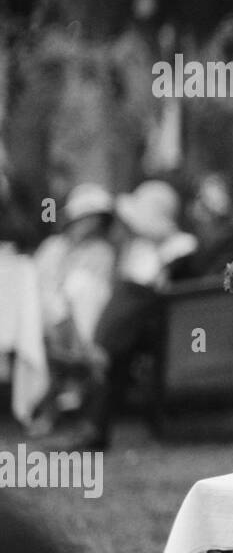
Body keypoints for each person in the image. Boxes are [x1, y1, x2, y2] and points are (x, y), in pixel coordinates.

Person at [77, 180, 199, 451]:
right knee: (117, 342)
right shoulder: (138, 248)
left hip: (170, 325)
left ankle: (98, 354)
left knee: (128, 296)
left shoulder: (183, 246)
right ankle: (95, 425)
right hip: (136, 328)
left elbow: (164, 287)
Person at [30, 183, 118, 429]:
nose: (89, 225)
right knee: (54, 309)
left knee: (81, 289)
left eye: (96, 220)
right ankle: (53, 401)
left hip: (84, 328)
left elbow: (95, 294)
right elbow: (38, 287)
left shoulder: (103, 252)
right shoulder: (52, 247)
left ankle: (77, 377)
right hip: (49, 325)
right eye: (85, 218)